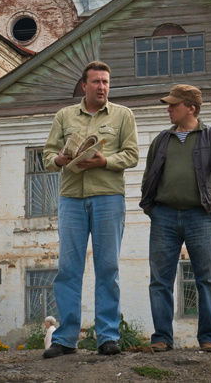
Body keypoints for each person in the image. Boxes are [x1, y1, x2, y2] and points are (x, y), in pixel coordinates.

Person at [42, 61, 139, 358]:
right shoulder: (64, 116)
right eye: (96, 82)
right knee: (68, 270)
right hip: (71, 199)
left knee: (107, 269)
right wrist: (59, 160)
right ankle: (65, 339)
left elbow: (132, 154)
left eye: (106, 82)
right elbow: (47, 155)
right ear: (84, 86)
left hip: (108, 197)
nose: (102, 87)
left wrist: (104, 162)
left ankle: (107, 337)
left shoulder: (123, 115)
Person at [139, 84, 211, 353]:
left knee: (206, 279)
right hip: (164, 216)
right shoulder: (161, 139)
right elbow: (149, 175)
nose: (169, 108)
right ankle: (162, 337)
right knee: (159, 280)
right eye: (169, 104)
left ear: (191, 108)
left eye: (174, 104)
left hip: (201, 216)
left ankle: (209, 339)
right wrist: (152, 208)